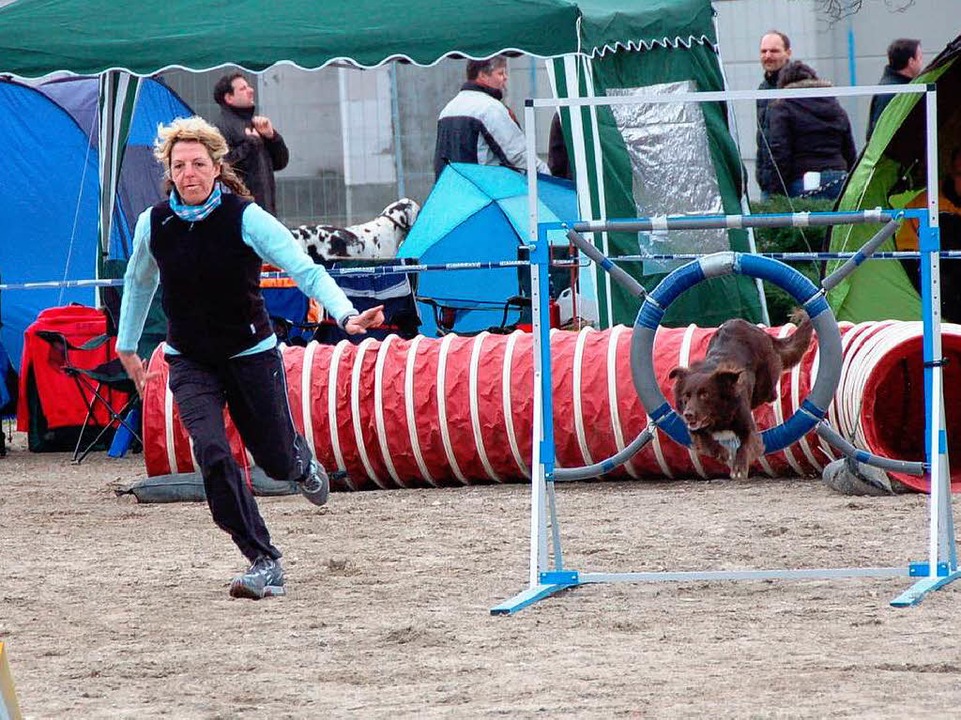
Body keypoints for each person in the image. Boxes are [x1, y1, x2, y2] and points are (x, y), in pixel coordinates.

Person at [116, 117, 384, 600]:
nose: (189, 173)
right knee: (213, 454)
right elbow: (138, 283)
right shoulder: (153, 223)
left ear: (217, 167)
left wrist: (346, 315)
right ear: (169, 172)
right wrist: (126, 346)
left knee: (275, 461)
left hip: (251, 355)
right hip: (189, 360)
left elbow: (305, 269)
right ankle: (263, 557)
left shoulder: (246, 216)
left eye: (199, 164)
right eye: (179, 166)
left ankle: (300, 462)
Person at [433, 56, 550, 179]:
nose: (505, 78)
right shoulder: (490, 108)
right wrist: (550, 179)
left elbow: (440, 161)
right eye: (500, 73)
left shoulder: (447, 109)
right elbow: (518, 156)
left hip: (453, 191)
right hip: (486, 191)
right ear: (483, 75)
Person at [766, 61, 857, 201]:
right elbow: (849, 151)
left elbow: (780, 152)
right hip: (839, 178)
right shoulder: (835, 107)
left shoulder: (783, 107)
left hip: (803, 180)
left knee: (808, 222)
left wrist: (776, 193)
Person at [894, 148, 961, 321]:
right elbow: (909, 259)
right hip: (939, 290)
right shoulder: (924, 206)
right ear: (951, 173)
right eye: (960, 174)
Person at [213, 73, 289, 216]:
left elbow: (281, 162)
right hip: (241, 214)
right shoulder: (221, 127)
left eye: (248, 86)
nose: (251, 90)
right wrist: (251, 144)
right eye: (243, 88)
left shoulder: (254, 125)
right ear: (229, 98)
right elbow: (224, 166)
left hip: (265, 211)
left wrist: (272, 137)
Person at [756, 30, 793, 198]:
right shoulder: (763, 89)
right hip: (768, 184)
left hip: (791, 184)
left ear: (788, 53)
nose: (768, 56)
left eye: (774, 51)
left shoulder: (795, 87)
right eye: (764, 51)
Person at [866, 39, 923, 142]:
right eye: (919, 58)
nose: (922, 63)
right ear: (911, 62)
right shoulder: (892, 92)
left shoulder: (896, 89)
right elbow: (881, 133)